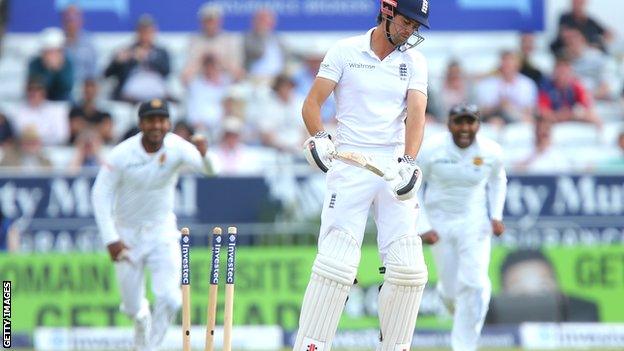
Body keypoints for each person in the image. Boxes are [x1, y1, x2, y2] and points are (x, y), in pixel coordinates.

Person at [295, 0, 430, 349]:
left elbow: (417, 115)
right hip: (351, 161)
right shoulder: (345, 50)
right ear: (387, 11)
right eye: (406, 21)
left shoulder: (414, 61)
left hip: (393, 167)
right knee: (336, 263)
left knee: (408, 269)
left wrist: (410, 161)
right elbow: (312, 104)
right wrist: (320, 137)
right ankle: (311, 346)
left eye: (415, 26)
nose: (409, 31)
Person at [91, 99, 214, 351]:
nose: (156, 125)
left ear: (168, 123)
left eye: (161, 120)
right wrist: (110, 239)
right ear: (141, 124)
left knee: (171, 299)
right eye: (150, 120)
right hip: (126, 235)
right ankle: (140, 325)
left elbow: (211, 171)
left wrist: (205, 155)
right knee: (134, 309)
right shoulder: (122, 154)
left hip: (162, 232)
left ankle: (150, 349)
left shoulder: (177, 146)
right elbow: (100, 194)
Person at [416, 103, 507, 351]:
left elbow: (499, 180)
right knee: (451, 290)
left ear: (478, 124)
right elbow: (411, 187)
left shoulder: (491, 151)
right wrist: (422, 226)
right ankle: (455, 298)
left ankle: (464, 346)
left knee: (475, 284)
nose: (465, 128)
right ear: (449, 124)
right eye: (459, 122)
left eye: (470, 122)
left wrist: (496, 216)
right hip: (439, 222)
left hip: (474, 221)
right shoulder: (431, 149)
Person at [104, 15, 170, 102]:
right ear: (137, 32)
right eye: (142, 31)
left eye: (148, 31)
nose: (145, 34)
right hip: (130, 95)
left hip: (156, 92)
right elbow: (107, 74)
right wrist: (118, 62)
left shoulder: (161, 52)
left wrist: (147, 57)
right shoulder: (126, 51)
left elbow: (166, 71)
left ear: (154, 32)